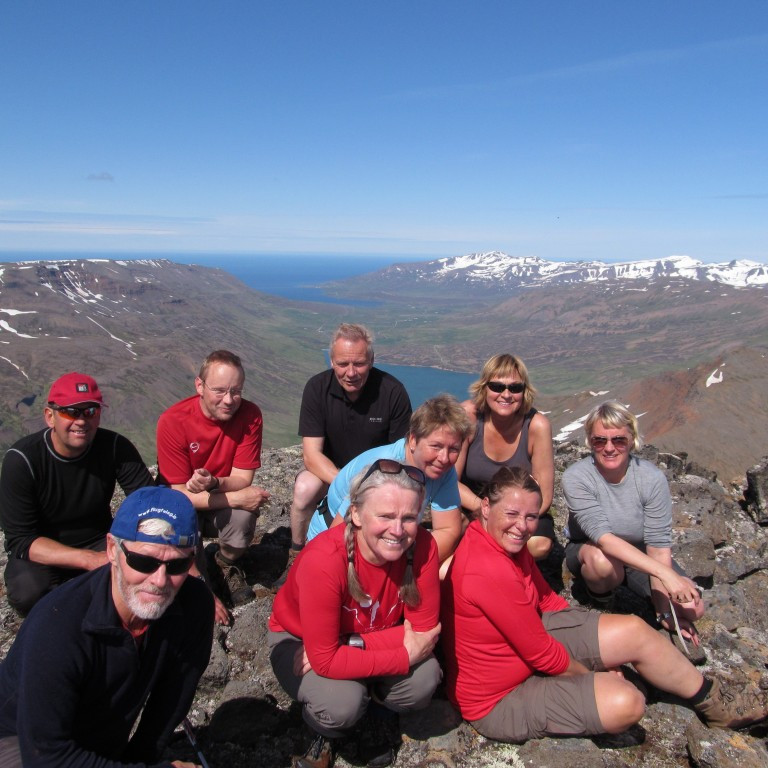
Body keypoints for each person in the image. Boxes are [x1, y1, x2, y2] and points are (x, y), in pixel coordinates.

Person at [441, 466, 768, 743]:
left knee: (634, 631)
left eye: (530, 516)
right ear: (486, 507)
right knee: (627, 703)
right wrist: (588, 673)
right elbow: (541, 653)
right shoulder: (487, 570)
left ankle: (714, 701)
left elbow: (546, 599)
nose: (522, 526)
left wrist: (588, 639)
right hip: (499, 699)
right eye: (511, 514)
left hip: (530, 642)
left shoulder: (501, 541)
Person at [0, 485, 214, 767]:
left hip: (97, 741)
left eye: (177, 565)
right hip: (19, 744)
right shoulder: (58, 627)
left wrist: (142, 759)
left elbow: (172, 698)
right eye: (143, 561)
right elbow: (46, 757)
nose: (160, 580)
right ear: (112, 550)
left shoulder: (193, 604)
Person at [269, 461, 442, 768]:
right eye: (385, 516)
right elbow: (325, 661)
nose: (398, 530)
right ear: (356, 514)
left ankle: (375, 711)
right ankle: (323, 731)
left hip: (350, 641)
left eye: (409, 518)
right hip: (298, 641)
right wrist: (403, 655)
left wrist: (348, 645)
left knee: (425, 679)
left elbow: (425, 632)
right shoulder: (325, 560)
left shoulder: (423, 547)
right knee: (341, 703)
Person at [0, 372, 154, 616]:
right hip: (41, 551)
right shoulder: (23, 460)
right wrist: (88, 559)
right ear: (49, 416)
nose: (81, 421)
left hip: (100, 539)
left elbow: (150, 503)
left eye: (90, 411)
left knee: (144, 571)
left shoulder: (115, 447)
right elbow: (21, 540)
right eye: (70, 412)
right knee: (29, 592)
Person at [561, 401, 705, 658]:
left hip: (640, 552)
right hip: (592, 548)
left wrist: (664, 611)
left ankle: (651, 602)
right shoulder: (577, 477)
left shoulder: (651, 479)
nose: (609, 448)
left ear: (632, 440)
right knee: (603, 563)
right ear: (589, 442)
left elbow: (658, 546)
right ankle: (601, 600)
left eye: (618, 440)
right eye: (599, 441)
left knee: (693, 608)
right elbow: (604, 539)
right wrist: (665, 575)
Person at [284, 323, 411, 575]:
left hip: (378, 477)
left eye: (359, 364)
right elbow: (311, 455)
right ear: (332, 361)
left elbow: (402, 455)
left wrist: (368, 486)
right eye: (343, 364)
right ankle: (296, 553)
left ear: (371, 361)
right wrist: (347, 484)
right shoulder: (317, 388)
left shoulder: (392, 392)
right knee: (304, 488)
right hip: (329, 472)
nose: (351, 372)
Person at [157, 350, 270, 612]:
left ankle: (225, 563)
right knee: (192, 575)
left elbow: (242, 477)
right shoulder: (173, 421)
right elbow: (179, 496)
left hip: (214, 496)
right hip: (179, 506)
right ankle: (201, 583)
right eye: (219, 390)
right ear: (200, 386)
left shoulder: (250, 415)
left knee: (242, 519)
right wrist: (236, 498)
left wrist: (215, 483)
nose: (229, 400)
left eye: (236, 391)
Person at [305, 394, 471, 565]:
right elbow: (340, 533)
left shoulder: (442, 470)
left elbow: (448, 530)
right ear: (413, 440)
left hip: (389, 541)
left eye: (454, 449)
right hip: (331, 541)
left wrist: (409, 565)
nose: (444, 458)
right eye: (436, 446)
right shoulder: (380, 468)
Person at [455, 353, 555, 560]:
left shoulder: (537, 426)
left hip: (520, 510)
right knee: (456, 529)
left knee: (539, 545)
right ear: (484, 388)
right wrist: (486, 511)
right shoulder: (469, 417)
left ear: (524, 391)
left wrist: (510, 519)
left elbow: (544, 497)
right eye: (497, 387)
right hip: (473, 505)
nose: (506, 394)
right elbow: (450, 480)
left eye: (515, 388)